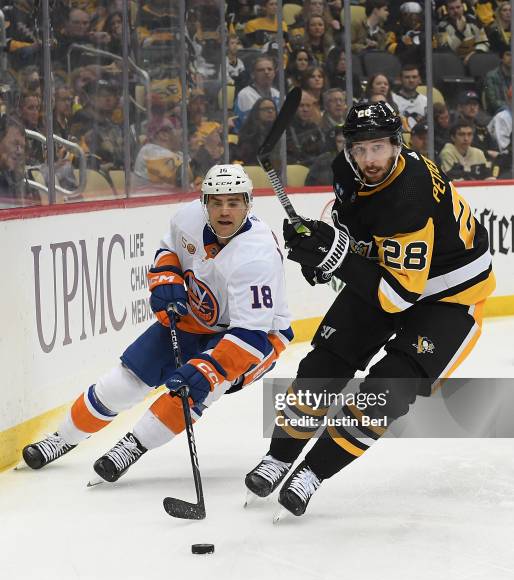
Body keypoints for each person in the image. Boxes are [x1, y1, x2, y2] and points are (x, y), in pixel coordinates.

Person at [245, 101, 495, 517]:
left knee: (388, 389)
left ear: (397, 145)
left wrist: (338, 256)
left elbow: (398, 297)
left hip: (451, 297)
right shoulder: (347, 171)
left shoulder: (409, 198)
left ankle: (313, 472)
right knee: (324, 363)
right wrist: (320, 248)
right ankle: (280, 456)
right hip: (392, 274)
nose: (368, 159)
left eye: (378, 148)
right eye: (359, 149)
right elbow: (356, 229)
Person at [22, 164, 293, 482]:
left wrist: (207, 370)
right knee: (122, 382)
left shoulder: (255, 257)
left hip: (251, 338)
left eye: (233, 202)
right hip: (193, 319)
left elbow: (251, 337)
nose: (224, 210)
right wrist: (167, 282)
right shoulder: (188, 218)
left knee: (190, 392)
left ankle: (132, 446)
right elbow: (169, 251)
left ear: (249, 204)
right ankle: (62, 439)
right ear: (204, 202)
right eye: (216, 201)